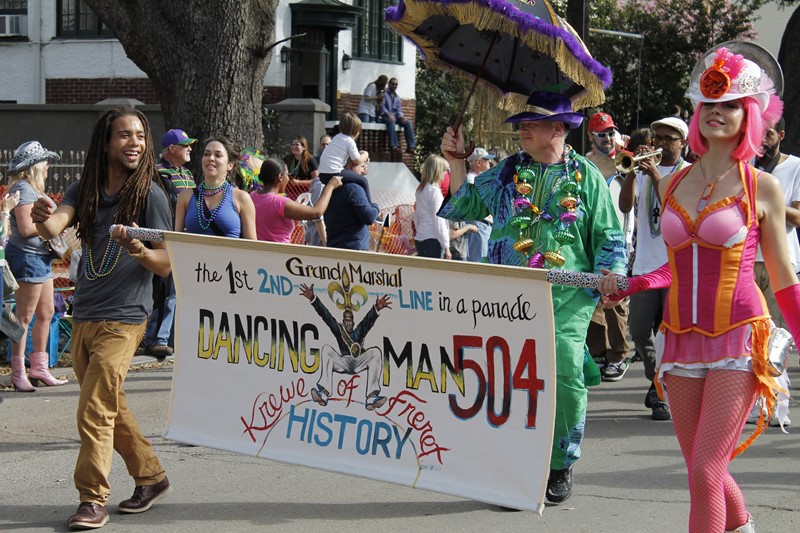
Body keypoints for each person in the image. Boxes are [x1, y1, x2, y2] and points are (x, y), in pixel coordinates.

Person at [598, 43, 800, 533]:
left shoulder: (762, 186)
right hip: (680, 341)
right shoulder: (672, 183)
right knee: (701, 469)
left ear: (749, 115)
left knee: (707, 470)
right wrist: (632, 284)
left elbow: (782, 277)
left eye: (730, 104)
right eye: (709, 103)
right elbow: (673, 269)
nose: (717, 112)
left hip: (739, 338)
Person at [439, 91, 627, 504]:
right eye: (521, 123)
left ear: (557, 128)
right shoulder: (508, 171)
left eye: (531, 123)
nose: (521, 129)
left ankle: (560, 461)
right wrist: (456, 161)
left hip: (567, 298)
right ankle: (516, 466)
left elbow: (610, 235)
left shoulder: (587, 176)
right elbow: (464, 206)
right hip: (507, 297)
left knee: (564, 371)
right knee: (506, 378)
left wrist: (612, 276)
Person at [31, 106, 174, 530]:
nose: (136, 143)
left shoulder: (150, 195)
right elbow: (56, 224)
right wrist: (43, 219)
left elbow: (166, 263)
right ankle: (151, 477)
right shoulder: (85, 188)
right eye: (125, 135)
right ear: (106, 142)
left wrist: (139, 250)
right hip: (86, 314)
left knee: (94, 408)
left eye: (141, 136)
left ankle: (92, 499)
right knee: (112, 404)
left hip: (125, 318)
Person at [618, 117, 690, 420]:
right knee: (637, 328)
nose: (660, 143)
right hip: (646, 266)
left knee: (669, 332)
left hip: (676, 267)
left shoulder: (689, 173)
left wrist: (656, 176)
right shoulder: (645, 171)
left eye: (668, 139)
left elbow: (677, 211)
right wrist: (632, 174)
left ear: (683, 143)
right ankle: (656, 378)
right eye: (657, 137)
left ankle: (661, 393)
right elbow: (625, 207)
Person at [4, 141, 64, 392]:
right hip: (28, 258)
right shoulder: (23, 188)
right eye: (46, 162)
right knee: (24, 317)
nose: (48, 166)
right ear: (35, 166)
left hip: (40, 258)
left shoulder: (32, 188)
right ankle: (18, 372)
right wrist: (51, 227)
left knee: (47, 312)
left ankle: (39, 368)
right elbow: (26, 228)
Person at [141, 128, 198, 360]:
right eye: (185, 145)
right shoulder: (158, 173)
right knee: (166, 290)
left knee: (177, 291)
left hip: (184, 238)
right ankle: (157, 338)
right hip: (166, 238)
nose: (190, 149)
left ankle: (168, 337)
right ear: (172, 149)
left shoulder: (187, 174)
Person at [585, 113, 632, 383]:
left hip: (619, 240)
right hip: (592, 239)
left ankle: (618, 355)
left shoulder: (625, 160)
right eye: (601, 134)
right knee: (592, 296)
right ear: (591, 136)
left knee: (615, 299)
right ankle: (598, 351)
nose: (607, 138)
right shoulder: (585, 164)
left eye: (611, 132)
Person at [299, 283, 392, 410]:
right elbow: (326, 316)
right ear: (343, 321)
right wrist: (313, 299)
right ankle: (324, 393)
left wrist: (377, 308)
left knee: (375, 352)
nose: (348, 323)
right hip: (342, 362)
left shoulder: (358, 332)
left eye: (350, 321)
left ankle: (372, 397)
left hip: (358, 361)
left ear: (353, 322)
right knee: (326, 349)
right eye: (346, 320)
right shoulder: (339, 330)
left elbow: (367, 322)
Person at [175, 136, 257, 239]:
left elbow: (252, 244)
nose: (211, 158)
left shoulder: (242, 198)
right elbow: (176, 240)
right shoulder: (185, 196)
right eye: (206, 154)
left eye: (218, 155)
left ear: (230, 165)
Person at [250, 158, 342, 243]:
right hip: (279, 253)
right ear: (280, 177)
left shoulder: (252, 196)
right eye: (287, 175)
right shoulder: (280, 203)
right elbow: (316, 212)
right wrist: (330, 186)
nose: (288, 179)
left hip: (258, 252)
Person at [318, 112, 370, 199]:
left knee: (348, 182)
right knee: (363, 181)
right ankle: (369, 205)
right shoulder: (349, 141)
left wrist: (359, 153)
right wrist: (365, 154)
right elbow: (357, 161)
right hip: (334, 172)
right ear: (356, 131)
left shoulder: (337, 138)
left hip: (322, 175)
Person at [413, 155, 451, 259]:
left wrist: (420, 231)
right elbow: (439, 220)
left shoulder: (421, 190)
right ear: (438, 171)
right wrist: (446, 246)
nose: (445, 174)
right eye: (444, 171)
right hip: (432, 239)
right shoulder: (434, 191)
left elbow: (416, 216)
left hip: (421, 237)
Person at [464, 148, 495, 263]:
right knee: (479, 261)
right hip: (479, 224)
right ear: (478, 162)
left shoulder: (475, 179)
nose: (489, 162)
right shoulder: (472, 180)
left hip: (482, 224)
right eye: (486, 160)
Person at [381, 77, 417, 154]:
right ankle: (394, 146)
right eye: (393, 84)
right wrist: (389, 115)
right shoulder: (384, 94)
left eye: (396, 84)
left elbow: (398, 110)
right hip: (385, 116)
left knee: (407, 123)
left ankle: (410, 147)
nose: (394, 86)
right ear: (389, 84)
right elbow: (382, 107)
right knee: (391, 121)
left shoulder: (397, 97)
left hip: (395, 117)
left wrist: (401, 117)